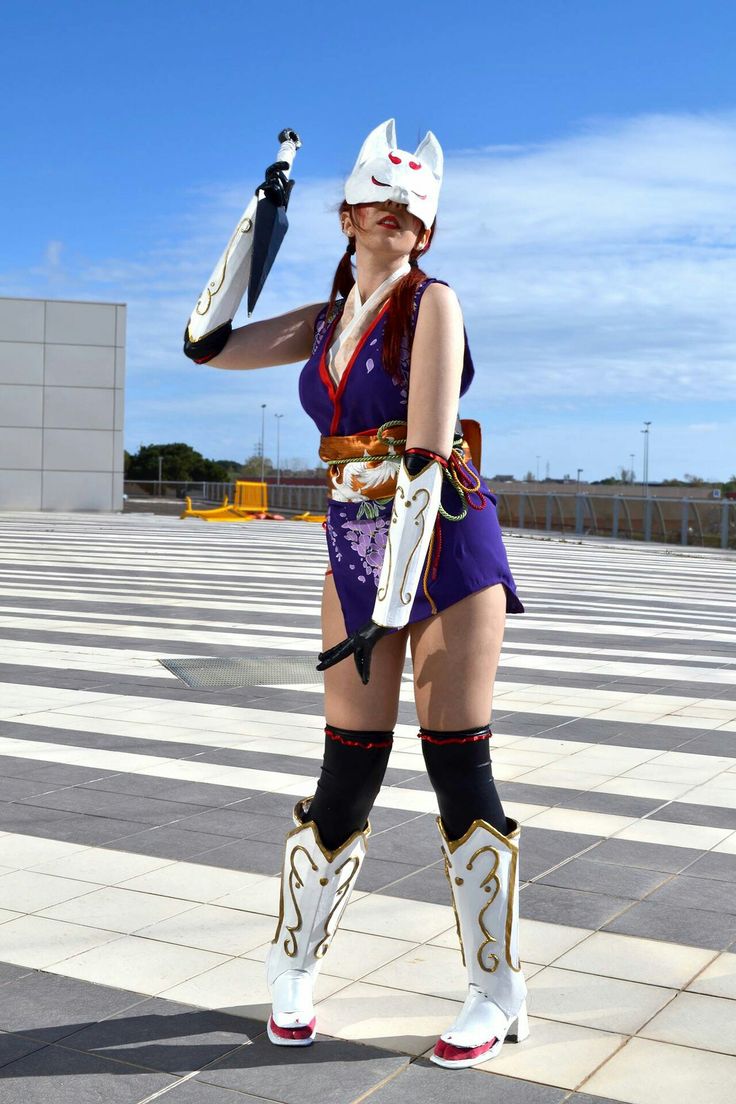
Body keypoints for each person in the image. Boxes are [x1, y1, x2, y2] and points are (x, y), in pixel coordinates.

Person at [184, 119, 528, 1070]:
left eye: (417, 209)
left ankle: (497, 991)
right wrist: (257, 223)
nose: (402, 217)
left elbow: (423, 457)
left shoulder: (435, 305)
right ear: (346, 215)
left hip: (445, 542)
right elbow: (207, 345)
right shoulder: (323, 320)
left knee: (458, 763)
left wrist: (389, 606)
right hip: (352, 541)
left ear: (427, 228)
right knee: (349, 765)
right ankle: (290, 965)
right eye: (382, 201)